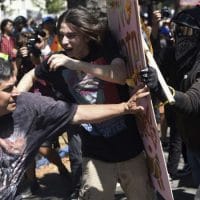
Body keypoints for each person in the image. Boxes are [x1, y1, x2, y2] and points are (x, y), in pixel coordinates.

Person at [18, 7, 155, 200]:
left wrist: (74, 64)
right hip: (95, 155)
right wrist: (15, 97)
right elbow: (31, 75)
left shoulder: (104, 48)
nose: (64, 42)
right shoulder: (56, 61)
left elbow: (120, 74)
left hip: (130, 150)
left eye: (71, 35)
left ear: (85, 34)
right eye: (61, 35)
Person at [0, 57, 148, 200]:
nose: (16, 92)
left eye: (14, 85)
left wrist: (125, 107)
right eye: (8, 89)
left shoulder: (27, 105)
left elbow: (77, 112)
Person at [140, 5, 200, 188]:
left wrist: (161, 88)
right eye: (176, 29)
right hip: (191, 139)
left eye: (184, 31)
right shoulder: (176, 55)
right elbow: (156, 63)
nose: (176, 35)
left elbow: (191, 102)